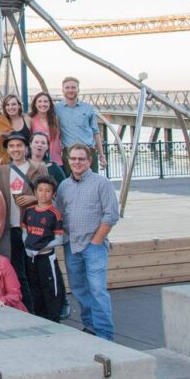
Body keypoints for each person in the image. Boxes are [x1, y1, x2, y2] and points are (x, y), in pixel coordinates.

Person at [56, 142, 120, 340]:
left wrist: (96, 241)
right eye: (73, 158)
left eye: (81, 159)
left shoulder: (102, 183)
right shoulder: (64, 186)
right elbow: (59, 214)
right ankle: (90, 327)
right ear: (68, 160)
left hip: (94, 245)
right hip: (71, 245)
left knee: (97, 290)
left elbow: (111, 215)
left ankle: (104, 333)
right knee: (79, 289)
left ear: (89, 161)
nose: (77, 162)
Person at [0, 131, 48, 310]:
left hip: (32, 227)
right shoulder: (1, 171)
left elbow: (50, 196)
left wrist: (33, 199)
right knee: (18, 272)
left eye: (19, 145)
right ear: (7, 150)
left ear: (26, 147)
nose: (16, 149)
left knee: (37, 271)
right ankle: (27, 309)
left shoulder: (38, 169)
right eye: (12, 146)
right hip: (11, 228)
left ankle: (44, 309)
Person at [22, 177, 66, 321]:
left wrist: (39, 248)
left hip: (46, 258)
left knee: (51, 289)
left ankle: (54, 319)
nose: (43, 194)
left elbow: (58, 240)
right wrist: (28, 246)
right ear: (35, 192)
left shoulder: (54, 213)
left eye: (48, 191)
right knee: (34, 288)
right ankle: (40, 319)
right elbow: (25, 232)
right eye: (40, 190)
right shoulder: (29, 212)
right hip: (31, 257)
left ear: (53, 193)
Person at [57, 77, 107, 173]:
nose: (70, 90)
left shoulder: (88, 108)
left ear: (78, 89)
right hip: (69, 153)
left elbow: (95, 132)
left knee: (92, 183)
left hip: (89, 151)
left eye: (73, 87)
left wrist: (102, 155)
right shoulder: (57, 109)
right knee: (71, 184)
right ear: (63, 90)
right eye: (67, 88)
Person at [29, 91, 63, 165]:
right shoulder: (31, 120)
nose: (43, 104)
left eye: (45, 101)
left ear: (50, 104)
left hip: (56, 160)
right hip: (39, 161)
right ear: (35, 104)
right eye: (40, 101)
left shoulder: (55, 119)